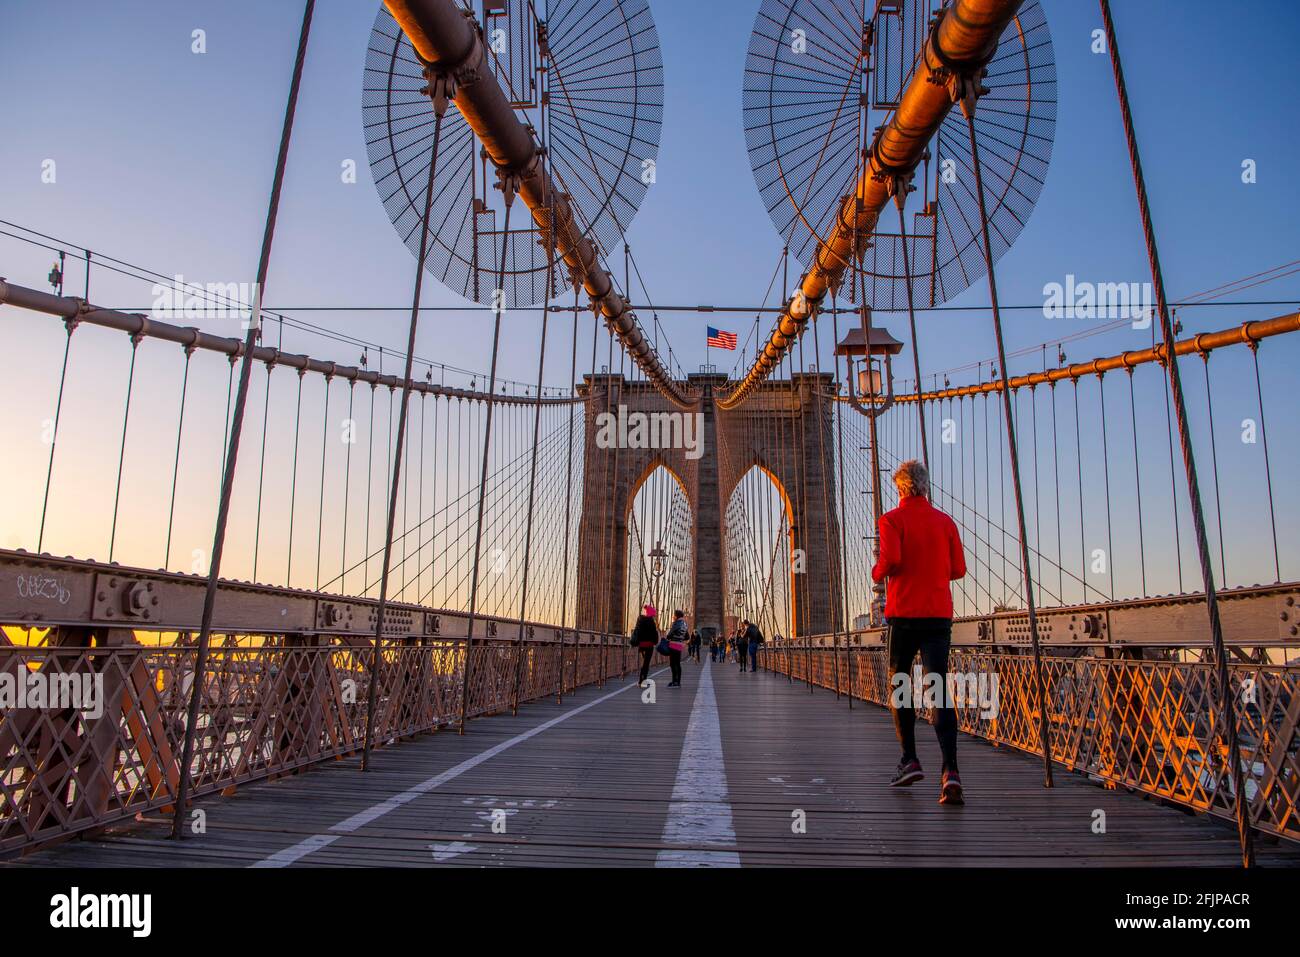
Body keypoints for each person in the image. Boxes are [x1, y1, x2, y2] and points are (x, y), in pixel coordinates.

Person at [872, 459, 967, 806]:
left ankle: (909, 759)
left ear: (900, 488)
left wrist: (876, 571)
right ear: (925, 487)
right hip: (938, 617)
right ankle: (950, 771)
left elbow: (892, 560)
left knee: (900, 685)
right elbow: (958, 569)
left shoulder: (892, 520)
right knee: (939, 688)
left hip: (904, 615)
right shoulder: (945, 522)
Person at [632, 604, 660, 686]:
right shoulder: (652, 622)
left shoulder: (640, 620)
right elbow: (655, 634)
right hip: (649, 645)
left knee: (644, 662)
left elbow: (637, 631)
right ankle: (642, 680)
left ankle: (642, 680)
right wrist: (655, 642)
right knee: (646, 663)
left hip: (641, 645)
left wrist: (636, 642)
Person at [664, 609, 689, 687]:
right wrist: (680, 638)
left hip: (673, 644)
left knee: (672, 663)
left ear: (676, 616)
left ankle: (674, 681)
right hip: (679, 645)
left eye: (674, 615)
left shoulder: (676, 623)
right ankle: (677, 682)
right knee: (677, 663)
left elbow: (669, 635)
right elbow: (687, 636)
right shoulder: (685, 624)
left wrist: (669, 637)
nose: (673, 617)